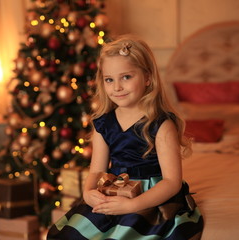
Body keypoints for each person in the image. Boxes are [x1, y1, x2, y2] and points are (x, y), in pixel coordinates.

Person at [47, 35, 204, 240]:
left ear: (148, 78)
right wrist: (88, 192)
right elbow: (97, 170)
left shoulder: (161, 125)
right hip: (114, 190)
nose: (117, 87)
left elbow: (172, 182)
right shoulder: (103, 124)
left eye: (126, 77)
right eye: (109, 80)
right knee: (69, 234)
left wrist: (131, 205)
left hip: (151, 197)